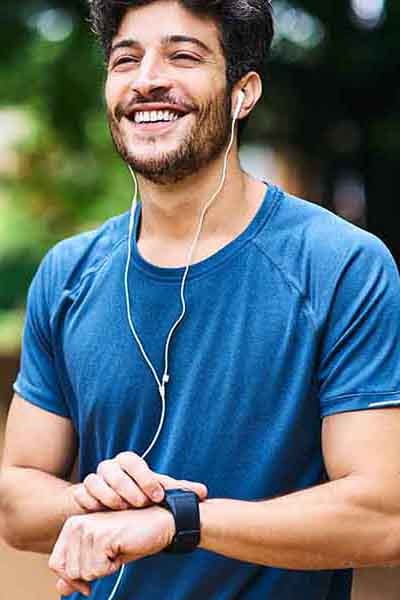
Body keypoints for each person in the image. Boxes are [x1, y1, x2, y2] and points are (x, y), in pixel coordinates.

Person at [1, 1, 400, 599]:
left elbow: (381, 516)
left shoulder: (341, 265)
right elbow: (17, 503)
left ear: (244, 93)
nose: (146, 79)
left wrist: (178, 521)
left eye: (183, 56)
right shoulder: (67, 273)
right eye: (125, 59)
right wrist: (92, 500)